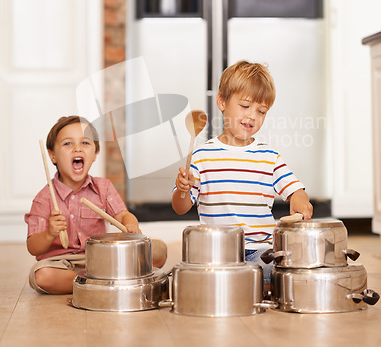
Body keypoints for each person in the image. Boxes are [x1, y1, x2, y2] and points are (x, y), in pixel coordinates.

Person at [172, 60, 313, 288]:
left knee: (274, 272)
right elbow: (181, 207)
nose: (252, 116)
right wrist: (182, 189)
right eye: (245, 106)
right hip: (215, 249)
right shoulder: (201, 155)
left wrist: (299, 197)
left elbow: (295, 190)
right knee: (194, 274)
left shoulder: (269, 156)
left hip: (261, 251)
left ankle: (246, 286)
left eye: (261, 111)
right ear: (222, 102)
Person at [25, 115, 167, 294]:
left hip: (101, 257)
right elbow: (33, 247)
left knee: (158, 251)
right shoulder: (44, 198)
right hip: (63, 264)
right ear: (52, 155)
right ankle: (106, 280)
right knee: (41, 276)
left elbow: (122, 215)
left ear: (95, 154)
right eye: (68, 144)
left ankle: (95, 281)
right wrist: (49, 233)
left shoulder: (103, 187)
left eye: (85, 143)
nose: (77, 148)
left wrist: (131, 223)